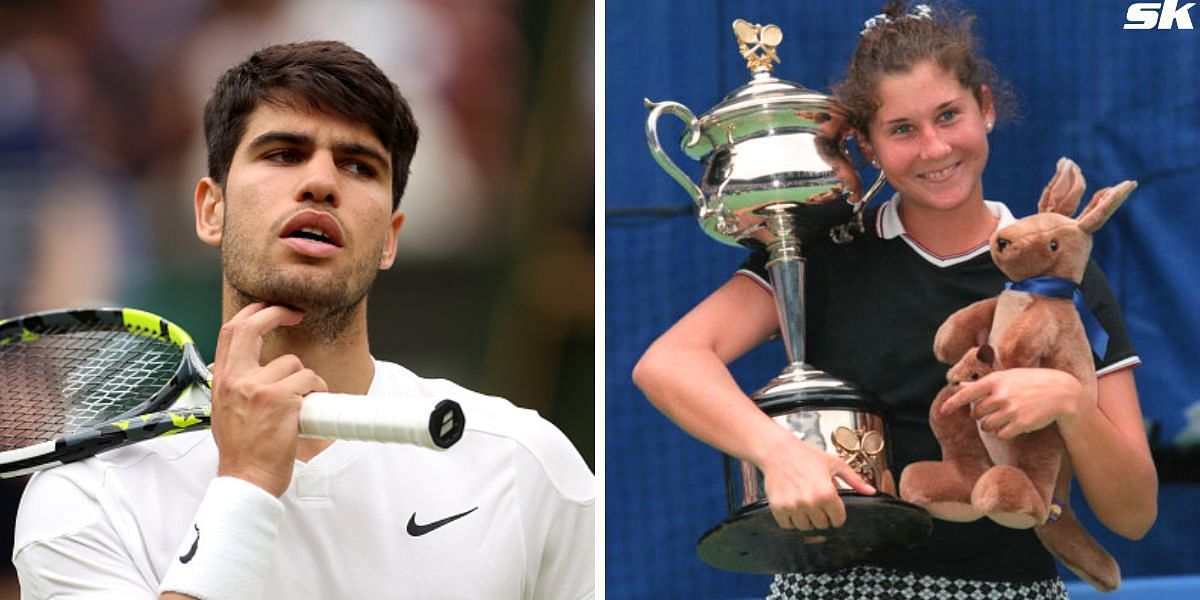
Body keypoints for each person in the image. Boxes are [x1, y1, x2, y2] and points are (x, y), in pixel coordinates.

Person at [12, 40, 594, 600]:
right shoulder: (83, 493)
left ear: (389, 239)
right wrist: (244, 482)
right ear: (211, 210)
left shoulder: (523, 462)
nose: (321, 182)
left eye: (359, 166)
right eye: (284, 154)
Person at [632, 3, 1156, 598]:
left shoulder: (1059, 270)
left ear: (985, 108)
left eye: (948, 115)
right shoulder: (821, 252)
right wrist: (777, 452)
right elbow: (668, 363)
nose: (934, 149)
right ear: (868, 147)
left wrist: (1070, 404)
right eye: (902, 129)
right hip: (832, 587)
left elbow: (1134, 514)